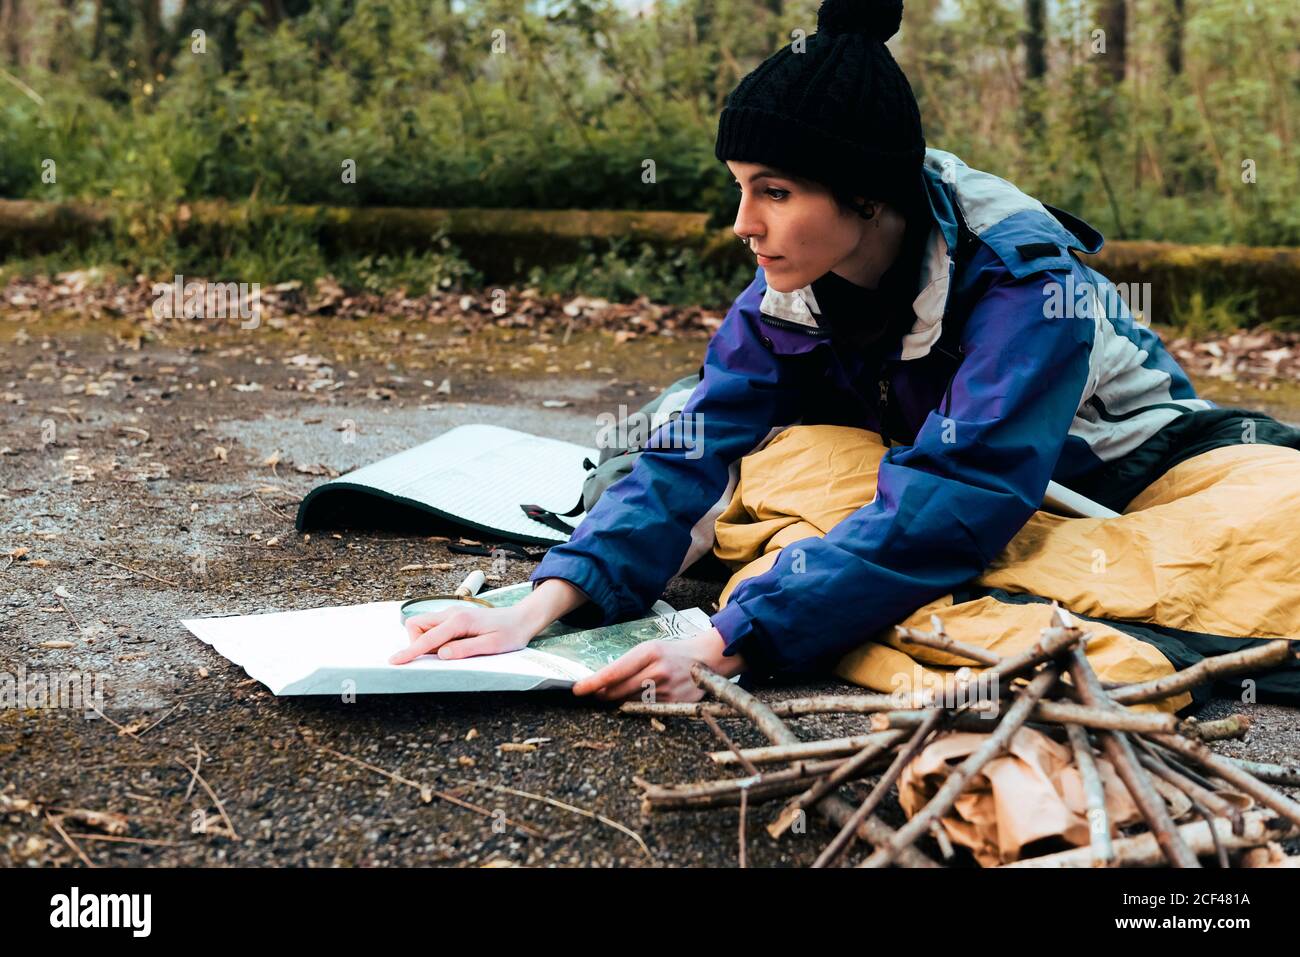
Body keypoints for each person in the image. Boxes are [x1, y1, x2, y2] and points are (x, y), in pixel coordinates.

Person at [390, 0, 1300, 706]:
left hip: (1110, 456)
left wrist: (724, 641)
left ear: (867, 194)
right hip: (911, 412)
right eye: (743, 190)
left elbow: (963, 489)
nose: (744, 225)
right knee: (672, 416)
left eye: (774, 192)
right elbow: (701, 437)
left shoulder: (1024, 280)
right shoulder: (795, 276)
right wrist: (535, 610)